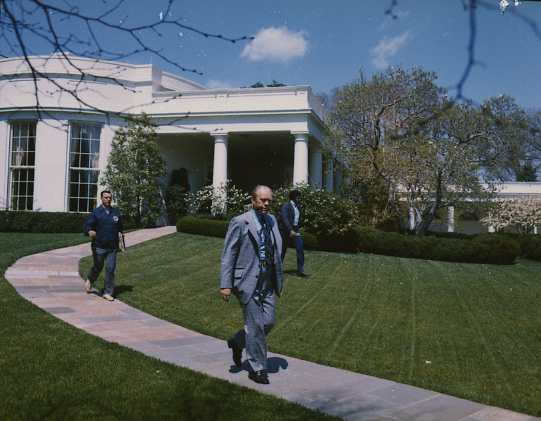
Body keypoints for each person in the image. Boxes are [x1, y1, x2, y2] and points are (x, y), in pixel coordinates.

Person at [220, 185, 284, 385]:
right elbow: (228, 253)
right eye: (262, 200)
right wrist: (225, 284)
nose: (266, 204)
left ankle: (238, 341)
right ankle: (257, 368)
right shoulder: (240, 222)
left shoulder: (271, 220)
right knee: (255, 326)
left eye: (269, 201)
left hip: (267, 281)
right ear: (253, 200)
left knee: (269, 322)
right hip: (247, 280)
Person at [83, 190, 123, 301]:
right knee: (98, 267)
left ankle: (108, 292)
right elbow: (86, 226)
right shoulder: (96, 213)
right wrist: (90, 231)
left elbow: (120, 229)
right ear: (101, 198)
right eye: (106, 197)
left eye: (110, 197)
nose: (108, 199)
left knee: (110, 268)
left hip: (112, 247)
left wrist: (119, 241)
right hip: (99, 246)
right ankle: (90, 279)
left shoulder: (116, 213)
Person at [279, 190, 310, 277]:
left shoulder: (297, 207)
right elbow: (285, 218)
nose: (299, 199)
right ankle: (277, 270)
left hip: (295, 230)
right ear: (293, 197)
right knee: (282, 250)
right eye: (298, 198)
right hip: (285, 231)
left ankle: (300, 270)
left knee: (300, 248)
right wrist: (290, 229)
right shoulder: (286, 205)